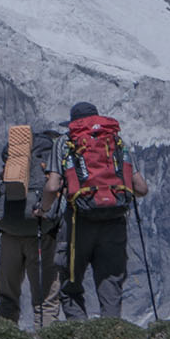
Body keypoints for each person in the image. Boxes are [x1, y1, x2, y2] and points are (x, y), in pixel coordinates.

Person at [37, 102, 148, 320]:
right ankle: (111, 337)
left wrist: (43, 209)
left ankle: (80, 336)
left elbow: (52, 186)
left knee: (70, 282)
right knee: (111, 282)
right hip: (115, 220)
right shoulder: (116, 141)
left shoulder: (65, 142)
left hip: (78, 221)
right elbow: (141, 188)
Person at [0, 127, 63, 328]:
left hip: (9, 233)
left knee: (7, 294)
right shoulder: (52, 159)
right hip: (41, 233)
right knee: (45, 295)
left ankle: (4, 335)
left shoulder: (16, 160)